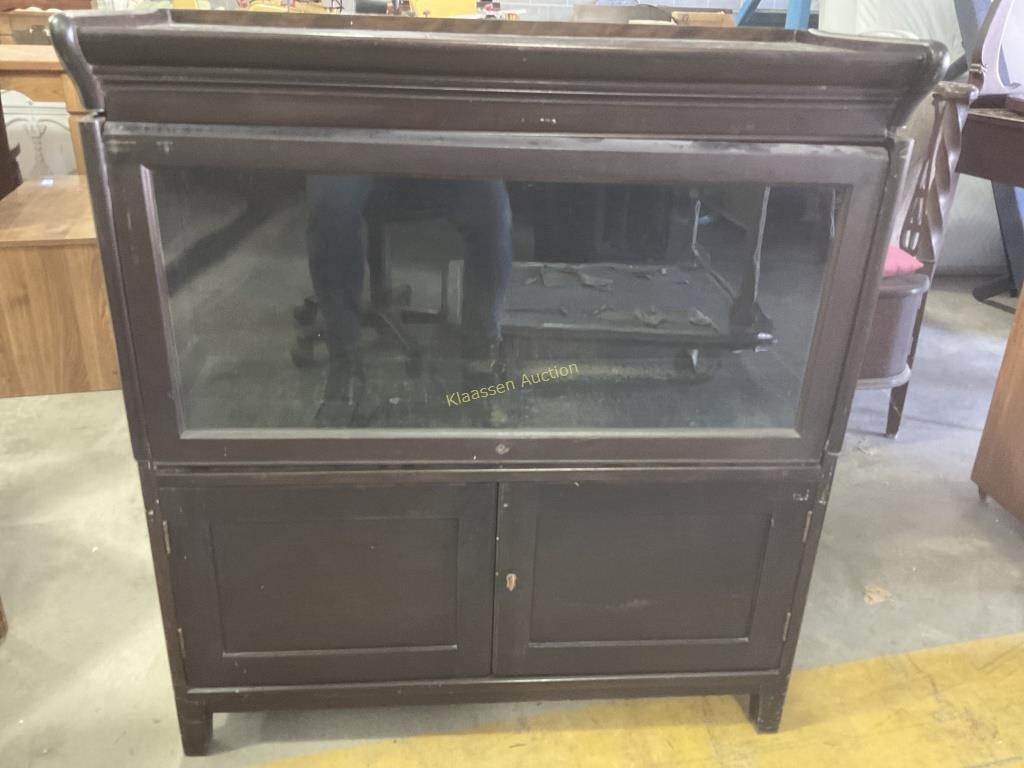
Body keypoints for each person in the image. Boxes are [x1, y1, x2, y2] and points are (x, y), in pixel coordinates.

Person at [306, 175, 514, 426]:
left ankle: (481, 362)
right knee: (330, 207)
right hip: (357, 151)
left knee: (491, 210)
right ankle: (344, 364)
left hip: (439, 150)